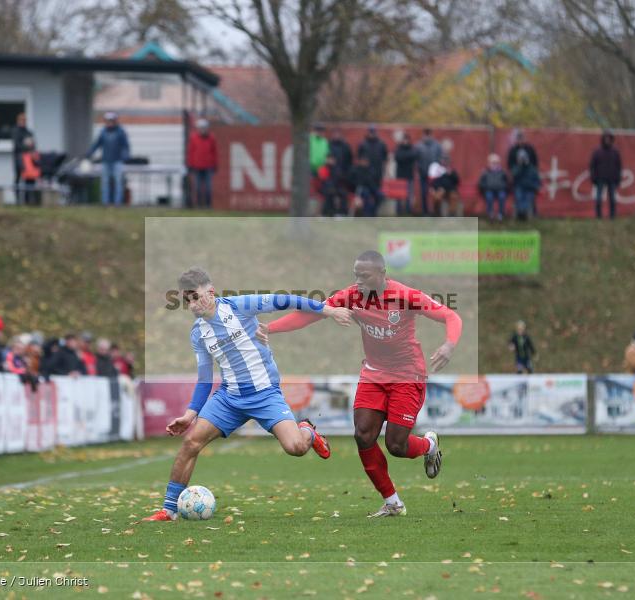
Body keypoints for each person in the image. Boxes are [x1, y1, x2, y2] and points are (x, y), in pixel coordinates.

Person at [260, 251, 462, 517]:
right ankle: (392, 503)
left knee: (396, 446)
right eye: (356, 275)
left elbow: (450, 316)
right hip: (374, 374)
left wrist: (449, 345)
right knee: (363, 435)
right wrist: (270, 328)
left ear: (382, 274)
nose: (359, 281)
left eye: (365, 276)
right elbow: (311, 314)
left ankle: (429, 445)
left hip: (407, 375)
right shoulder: (352, 296)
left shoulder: (406, 296)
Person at [142, 267, 353, 522]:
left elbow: (285, 299)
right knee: (190, 443)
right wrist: (190, 415)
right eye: (187, 300)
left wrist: (328, 310)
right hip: (229, 399)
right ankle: (168, 510)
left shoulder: (240, 306)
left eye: (196, 297)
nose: (193, 304)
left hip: (265, 394)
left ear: (211, 292)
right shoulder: (198, 333)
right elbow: (205, 379)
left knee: (296, 448)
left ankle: (307, 430)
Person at [87, 112, 131, 206]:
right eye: (108, 121)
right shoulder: (103, 132)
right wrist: (90, 152)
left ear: (115, 121)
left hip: (117, 161)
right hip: (106, 161)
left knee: (118, 183)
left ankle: (117, 204)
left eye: (111, 120)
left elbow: (125, 146)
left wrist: (126, 155)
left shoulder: (120, 132)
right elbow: (97, 144)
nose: (109, 122)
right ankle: (105, 203)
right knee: (105, 184)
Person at [590, 130, 622, 219]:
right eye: (606, 138)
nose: (607, 140)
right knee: (599, 198)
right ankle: (598, 216)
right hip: (600, 178)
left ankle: (612, 216)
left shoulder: (615, 152)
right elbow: (592, 166)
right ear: (603, 139)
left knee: (612, 198)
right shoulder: (597, 152)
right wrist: (593, 177)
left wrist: (618, 178)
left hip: (612, 178)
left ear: (611, 139)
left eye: (609, 138)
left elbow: (619, 166)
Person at [186, 119, 217, 209]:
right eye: (200, 128)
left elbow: (214, 152)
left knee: (208, 187)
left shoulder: (211, 138)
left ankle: (208, 205)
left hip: (208, 166)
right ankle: (199, 205)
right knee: (198, 187)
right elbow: (190, 152)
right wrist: (190, 164)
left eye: (204, 128)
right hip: (197, 166)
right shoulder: (193, 138)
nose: (202, 130)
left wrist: (215, 164)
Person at [357, 126, 388, 212]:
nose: (372, 134)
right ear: (368, 132)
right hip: (365, 177)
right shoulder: (363, 144)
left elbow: (385, 159)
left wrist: (385, 171)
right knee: (366, 196)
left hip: (377, 175)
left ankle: (373, 213)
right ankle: (367, 214)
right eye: (370, 132)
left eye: (373, 132)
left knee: (378, 196)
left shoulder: (381, 144)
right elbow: (359, 159)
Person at [415, 129, 443, 216]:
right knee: (424, 193)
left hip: (434, 176)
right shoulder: (418, 146)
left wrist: (437, 169)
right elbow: (416, 159)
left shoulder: (437, 145)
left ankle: (436, 212)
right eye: (425, 135)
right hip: (423, 174)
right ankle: (425, 212)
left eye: (428, 135)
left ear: (431, 135)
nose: (427, 137)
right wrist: (419, 169)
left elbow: (440, 158)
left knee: (436, 194)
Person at [511, 146, 541, 220]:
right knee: (518, 198)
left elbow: (537, 179)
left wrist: (535, 187)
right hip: (519, 188)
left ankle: (525, 214)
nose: (522, 159)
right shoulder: (516, 167)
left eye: (523, 157)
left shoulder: (532, 168)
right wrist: (520, 166)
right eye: (520, 158)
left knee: (528, 199)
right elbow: (514, 175)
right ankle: (521, 213)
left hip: (530, 188)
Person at [477, 153, 510, 222]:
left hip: (500, 190)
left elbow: (507, 182)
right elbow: (481, 183)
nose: (495, 164)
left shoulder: (503, 172)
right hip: (489, 190)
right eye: (493, 163)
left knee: (502, 196)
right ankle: (490, 214)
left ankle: (500, 214)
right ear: (489, 163)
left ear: (499, 163)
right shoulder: (485, 172)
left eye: (496, 163)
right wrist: (485, 188)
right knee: (489, 197)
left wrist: (504, 187)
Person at [393, 133, 418, 215]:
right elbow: (397, 157)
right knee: (398, 195)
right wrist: (407, 157)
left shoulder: (412, 149)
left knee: (409, 195)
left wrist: (404, 157)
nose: (405, 141)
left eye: (407, 139)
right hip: (400, 176)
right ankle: (398, 212)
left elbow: (413, 155)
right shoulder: (398, 148)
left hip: (409, 176)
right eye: (404, 139)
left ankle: (408, 211)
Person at [11, 113, 33, 204]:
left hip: (28, 159)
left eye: (24, 120)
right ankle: (17, 200)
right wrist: (26, 145)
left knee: (29, 178)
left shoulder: (28, 132)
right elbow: (17, 145)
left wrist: (29, 146)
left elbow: (32, 145)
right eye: (21, 120)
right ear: (18, 121)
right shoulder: (15, 131)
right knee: (18, 178)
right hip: (18, 158)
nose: (23, 122)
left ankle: (27, 200)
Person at [19, 137, 41, 205]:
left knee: (34, 189)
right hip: (26, 174)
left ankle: (35, 203)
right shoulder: (23, 154)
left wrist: (34, 158)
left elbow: (38, 163)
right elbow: (21, 164)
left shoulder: (34, 153)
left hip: (34, 175)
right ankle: (26, 203)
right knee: (26, 190)